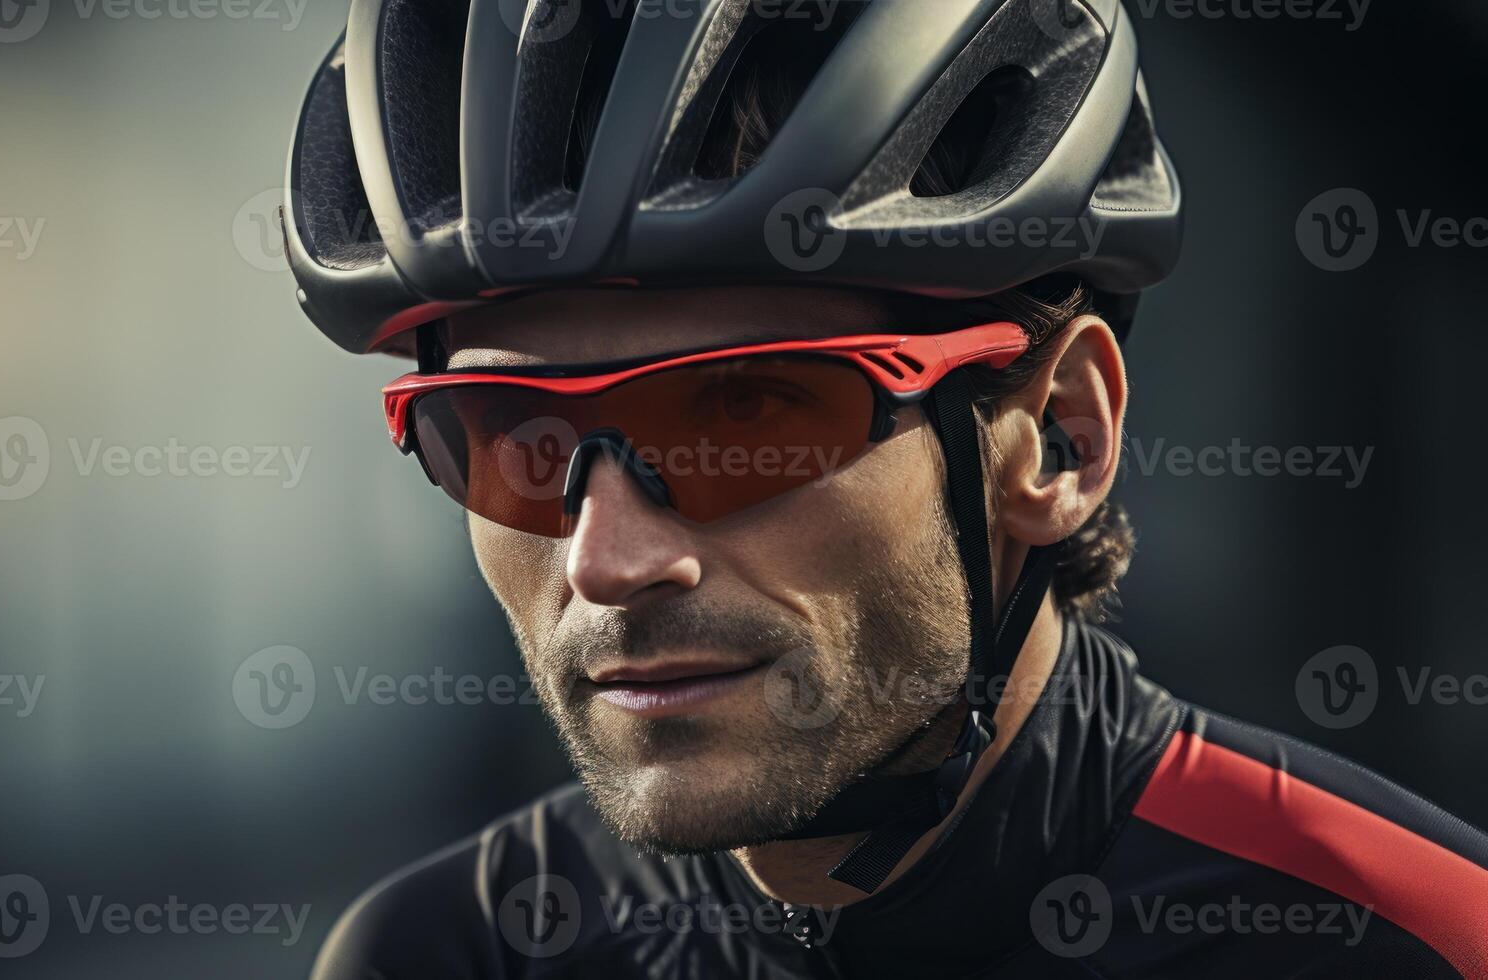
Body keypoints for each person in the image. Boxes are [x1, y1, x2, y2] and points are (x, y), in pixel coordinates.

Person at [282, 0, 1488, 975]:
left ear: (1056, 439)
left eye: (744, 413)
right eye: (515, 439)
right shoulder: (444, 955)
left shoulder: (1409, 943)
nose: (606, 559)